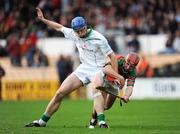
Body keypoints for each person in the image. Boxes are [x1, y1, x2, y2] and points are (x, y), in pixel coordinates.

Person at [25, 8, 119, 128]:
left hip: (99, 68)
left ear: (86, 26)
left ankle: (102, 122)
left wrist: (115, 76)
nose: (80, 33)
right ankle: (41, 122)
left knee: (95, 89)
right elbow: (59, 27)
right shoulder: (73, 34)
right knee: (59, 93)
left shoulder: (99, 38)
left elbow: (113, 56)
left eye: (82, 30)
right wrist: (43, 20)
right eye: (77, 31)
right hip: (84, 68)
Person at [88, 52, 140, 128]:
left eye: (131, 66)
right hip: (105, 79)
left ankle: (96, 114)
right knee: (101, 102)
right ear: (125, 60)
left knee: (106, 106)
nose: (128, 67)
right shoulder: (119, 60)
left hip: (115, 86)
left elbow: (130, 86)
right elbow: (105, 69)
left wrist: (126, 95)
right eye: (127, 64)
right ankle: (94, 119)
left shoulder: (133, 72)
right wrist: (118, 77)